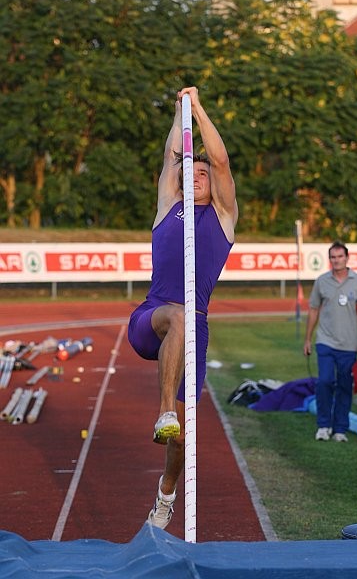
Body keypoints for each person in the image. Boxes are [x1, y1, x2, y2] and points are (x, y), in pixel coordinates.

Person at [128, 86, 238, 529]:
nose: (194, 176)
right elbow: (173, 155)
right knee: (177, 314)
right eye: (189, 172)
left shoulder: (223, 217)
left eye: (202, 174)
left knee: (183, 439)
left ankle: (166, 496)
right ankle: (163, 412)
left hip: (196, 326)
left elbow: (223, 161)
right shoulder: (168, 206)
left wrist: (202, 109)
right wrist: (181, 110)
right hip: (151, 316)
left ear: (214, 184)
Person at [303, 241, 357, 442]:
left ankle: (340, 428)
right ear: (329, 259)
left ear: (347, 258)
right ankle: (323, 425)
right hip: (325, 341)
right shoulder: (321, 281)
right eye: (333, 257)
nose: (337, 260)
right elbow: (314, 309)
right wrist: (307, 338)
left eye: (340, 256)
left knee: (344, 385)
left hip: (349, 344)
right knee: (324, 381)